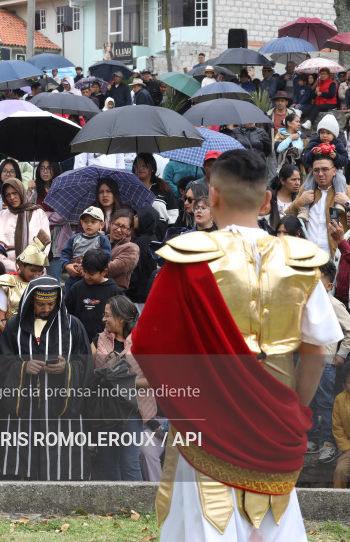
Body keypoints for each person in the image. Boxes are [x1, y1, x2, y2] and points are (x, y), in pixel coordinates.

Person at [133, 149, 343, 541]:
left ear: (212, 196)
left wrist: (187, 401)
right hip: (274, 422)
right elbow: (318, 351)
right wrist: (292, 407)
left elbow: (147, 345)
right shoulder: (299, 262)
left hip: (205, 422)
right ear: (266, 200)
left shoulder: (187, 260)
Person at [0, 276, 90, 480]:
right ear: (30, 301)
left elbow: (86, 364)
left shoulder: (73, 325)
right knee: (21, 461)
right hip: (23, 407)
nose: (46, 309)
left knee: (63, 464)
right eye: (40, 304)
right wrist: (23, 367)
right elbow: (1, 363)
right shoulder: (14, 326)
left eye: (51, 304)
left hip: (61, 408)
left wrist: (67, 369)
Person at [93, 295, 146, 481]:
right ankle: (113, 502)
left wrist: (122, 381)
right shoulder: (99, 340)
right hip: (105, 410)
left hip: (132, 409)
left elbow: (154, 380)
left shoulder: (141, 342)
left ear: (121, 318)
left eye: (107, 315)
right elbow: (89, 373)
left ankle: (136, 501)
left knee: (130, 463)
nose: (103, 319)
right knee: (107, 464)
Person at [305, 261, 348, 464]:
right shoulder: (304, 304)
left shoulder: (333, 305)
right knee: (308, 401)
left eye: (318, 281)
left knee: (324, 403)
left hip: (325, 363)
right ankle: (312, 439)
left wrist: (342, 353)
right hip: (305, 362)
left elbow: (349, 329)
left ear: (329, 286)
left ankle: (329, 442)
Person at [286, 155, 348, 255]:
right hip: (309, 254)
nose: (320, 174)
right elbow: (288, 216)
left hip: (337, 255)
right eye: (316, 170)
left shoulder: (346, 190)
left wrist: (347, 203)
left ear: (334, 171)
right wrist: (299, 203)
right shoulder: (306, 189)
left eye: (325, 169)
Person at [0, 178, 50, 273]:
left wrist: (31, 266)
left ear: (21, 192)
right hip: (7, 270)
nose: (12, 197)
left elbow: (45, 243)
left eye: (15, 193)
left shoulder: (38, 214)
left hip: (35, 269)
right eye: (8, 195)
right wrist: (16, 267)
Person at [65, 248, 124, 344]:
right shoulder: (77, 288)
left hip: (104, 343)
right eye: (85, 271)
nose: (87, 276)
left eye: (91, 274)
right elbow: (67, 313)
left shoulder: (114, 291)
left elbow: (120, 319)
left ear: (104, 272)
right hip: (78, 341)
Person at [0, 236, 49, 328]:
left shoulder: (44, 285)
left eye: (40, 271)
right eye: (33, 271)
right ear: (21, 265)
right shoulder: (7, 283)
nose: (37, 275)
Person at [34, 160, 72, 281]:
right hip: (38, 241)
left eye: (49, 168)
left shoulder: (63, 190)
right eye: (42, 168)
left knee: (53, 280)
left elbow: (62, 216)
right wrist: (29, 192)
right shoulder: (35, 189)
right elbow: (29, 212)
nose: (45, 171)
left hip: (57, 243)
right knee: (36, 280)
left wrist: (42, 214)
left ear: (55, 170)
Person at [60, 206, 112, 292]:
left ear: (101, 225)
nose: (89, 224)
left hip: (93, 278)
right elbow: (65, 253)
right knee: (71, 296)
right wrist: (67, 265)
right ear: (81, 223)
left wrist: (85, 266)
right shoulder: (74, 238)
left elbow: (106, 258)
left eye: (93, 222)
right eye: (86, 221)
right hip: (74, 277)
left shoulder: (102, 239)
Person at [133, 153, 177, 231]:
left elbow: (173, 213)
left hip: (161, 232)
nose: (140, 168)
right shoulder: (132, 189)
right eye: (137, 165)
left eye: (144, 165)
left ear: (152, 168)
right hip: (137, 233)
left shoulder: (163, 188)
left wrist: (169, 231)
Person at [107, 209, 139, 292]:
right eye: (116, 224)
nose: (118, 230)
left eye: (123, 227)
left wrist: (87, 267)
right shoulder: (99, 240)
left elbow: (112, 269)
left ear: (129, 231)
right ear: (110, 224)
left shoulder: (131, 248)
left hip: (113, 292)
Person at [269, 165, 301, 232]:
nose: (297, 183)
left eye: (299, 179)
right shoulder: (270, 198)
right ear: (282, 181)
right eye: (293, 179)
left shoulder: (299, 199)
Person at [333, 370, 350, 488]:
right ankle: (336, 499)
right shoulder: (340, 399)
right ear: (344, 385)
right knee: (340, 471)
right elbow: (337, 427)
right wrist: (348, 450)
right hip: (348, 448)